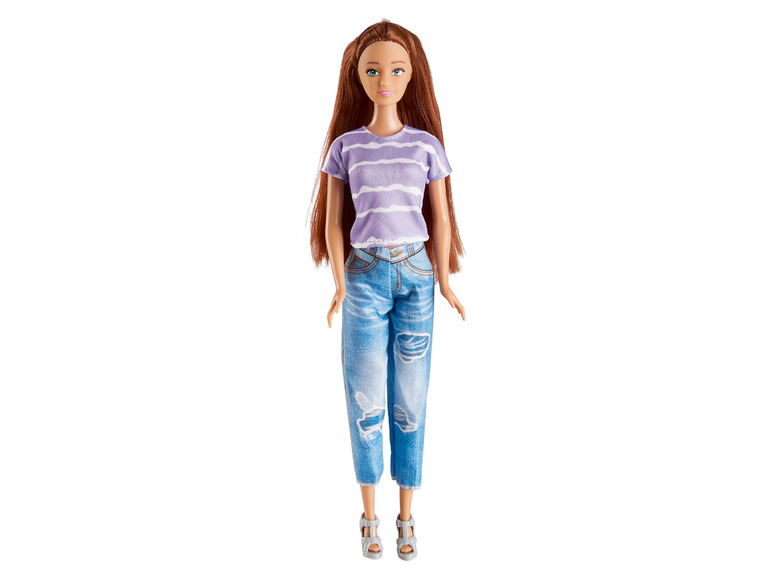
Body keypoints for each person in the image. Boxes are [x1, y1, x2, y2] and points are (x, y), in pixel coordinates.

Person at [308, 19, 465, 560]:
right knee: (365, 396)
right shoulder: (345, 147)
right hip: (363, 278)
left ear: (411, 76)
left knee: (411, 398)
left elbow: (440, 218)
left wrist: (444, 279)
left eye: (396, 70)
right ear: (357, 76)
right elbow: (333, 222)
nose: (384, 81)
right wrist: (338, 284)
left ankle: (406, 514)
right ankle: (369, 514)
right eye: (373, 70)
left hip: (417, 275)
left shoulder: (426, 147)